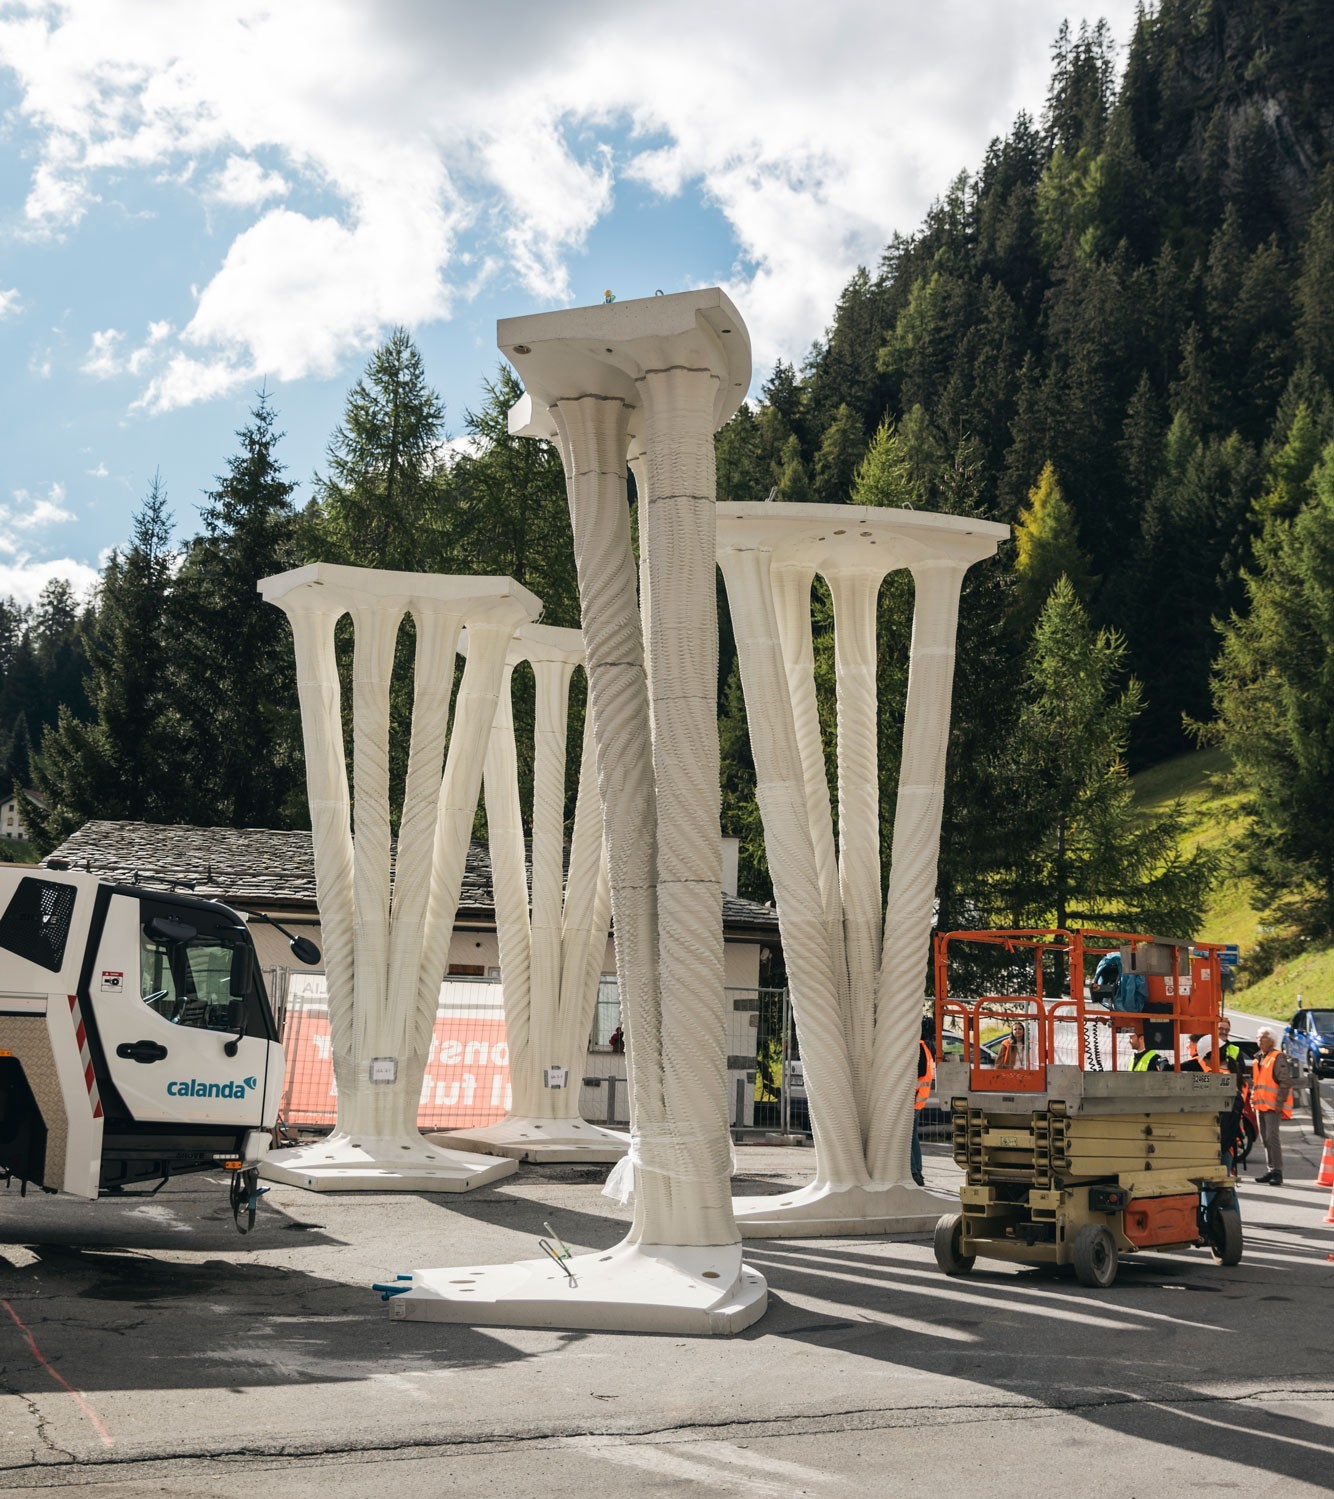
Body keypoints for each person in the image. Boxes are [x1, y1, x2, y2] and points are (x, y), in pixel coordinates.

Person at [1250, 1026, 1292, 1184]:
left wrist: (1279, 1103)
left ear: (1272, 1041)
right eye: (1258, 1037)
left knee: (1272, 1138)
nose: (1259, 1040)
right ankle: (1271, 1170)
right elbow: (1257, 1083)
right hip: (1260, 1106)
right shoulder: (1258, 1058)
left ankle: (1277, 1173)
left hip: (1272, 1106)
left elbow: (1285, 1082)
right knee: (1265, 1139)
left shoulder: (1277, 1057)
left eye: (1263, 1038)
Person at [910, 1019, 935, 1187]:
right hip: (920, 1099)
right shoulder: (927, 1047)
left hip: (913, 1098)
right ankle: (917, 1171)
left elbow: (916, 1074)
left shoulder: (917, 1047)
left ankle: (914, 1172)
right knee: (913, 1137)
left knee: (907, 1139)